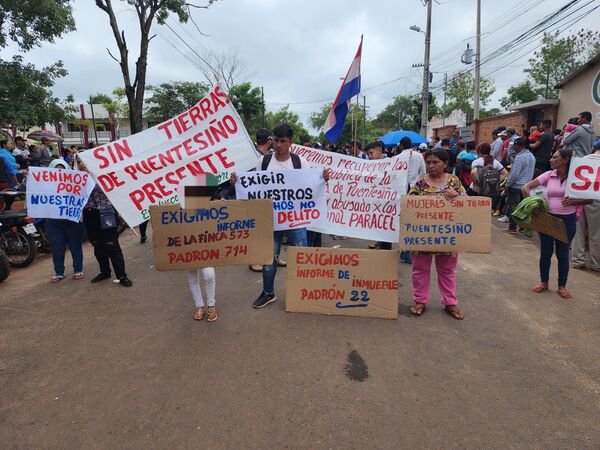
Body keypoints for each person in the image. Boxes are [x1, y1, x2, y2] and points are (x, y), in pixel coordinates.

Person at [230, 124, 329, 309]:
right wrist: (237, 182)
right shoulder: (264, 162)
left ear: (290, 142)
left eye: (283, 141)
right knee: (269, 259)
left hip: (295, 220)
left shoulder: (300, 162)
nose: (279, 144)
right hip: (270, 220)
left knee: (301, 257)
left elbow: (311, 186)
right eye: (276, 140)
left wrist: (323, 178)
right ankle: (268, 293)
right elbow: (254, 187)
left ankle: (302, 293)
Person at [521, 149, 592, 299]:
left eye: (555, 157)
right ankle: (543, 282)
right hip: (548, 219)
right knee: (545, 253)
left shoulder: (576, 177)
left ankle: (562, 286)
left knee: (563, 254)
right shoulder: (548, 175)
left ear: (565, 160)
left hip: (568, 220)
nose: (551, 160)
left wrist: (574, 201)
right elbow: (525, 188)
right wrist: (532, 205)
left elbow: (589, 199)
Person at [408, 148, 465, 320]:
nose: (431, 166)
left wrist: (457, 196)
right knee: (419, 269)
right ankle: (420, 301)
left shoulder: (454, 182)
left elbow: (470, 205)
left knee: (447, 270)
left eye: (435, 162)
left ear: (446, 164)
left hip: (447, 235)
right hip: (422, 236)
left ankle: (450, 302)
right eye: (428, 162)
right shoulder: (419, 184)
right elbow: (408, 205)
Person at [78, 156, 133, 287]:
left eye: (83, 161)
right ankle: (105, 271)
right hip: (89, 215)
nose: (81, 164)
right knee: (97, 245)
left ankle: (122, 275)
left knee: (111, 244)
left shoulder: (102, 175)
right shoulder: (75, 179)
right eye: (78, 162)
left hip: (106, 213)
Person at [45, 159, 85, 283]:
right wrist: (31, 178)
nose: (59, 172)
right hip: (53, 222)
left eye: (62, 170)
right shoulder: (44, 184)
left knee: (75, 246)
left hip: (72, 220)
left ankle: (78, 269)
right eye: (56, 170)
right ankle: (59, 272)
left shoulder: (75, 182)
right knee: (57, 248)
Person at [572, 137, 600, 272]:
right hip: (597, 200)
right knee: (596, 233)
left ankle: (578, 260)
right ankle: (596, 263)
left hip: (579, 197)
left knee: (578, 231)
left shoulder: (582, 160)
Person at [501, 138, 535, 234]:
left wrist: (507, 186)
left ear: (518, 146)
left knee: (513, 207)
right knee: (523, 208)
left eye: (514, 146)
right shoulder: (532, 156)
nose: (513, 148)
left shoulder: (519, 157)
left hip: (516, 186)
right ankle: (522, 227)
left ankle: (512, 227)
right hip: (526, 186)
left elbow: (514, 175)